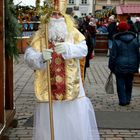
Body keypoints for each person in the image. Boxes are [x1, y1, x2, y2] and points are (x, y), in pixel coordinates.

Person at [24, 0, 100, 140]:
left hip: (72, 90)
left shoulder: (73, 33)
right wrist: (40, 57)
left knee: (73, 122)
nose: (57, 18)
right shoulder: (40, 35)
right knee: (50, 126)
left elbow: (84, 50)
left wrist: (68, 48)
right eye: (53, 15)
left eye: (59, 15)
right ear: (47, 17)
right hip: (48, 89)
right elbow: (28, 56)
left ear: (65, 16)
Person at [109, 21, 140, 106]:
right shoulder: (134, 39)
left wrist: (111, 66)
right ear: (127, 28)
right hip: (132, 63)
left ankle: (122, 100)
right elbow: (138, 53)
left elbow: (113, 55)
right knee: (129, 82)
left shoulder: (116, 40)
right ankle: (128, 99)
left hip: (120, 64)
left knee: (120, 83)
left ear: (119, 29)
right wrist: (137, 65)